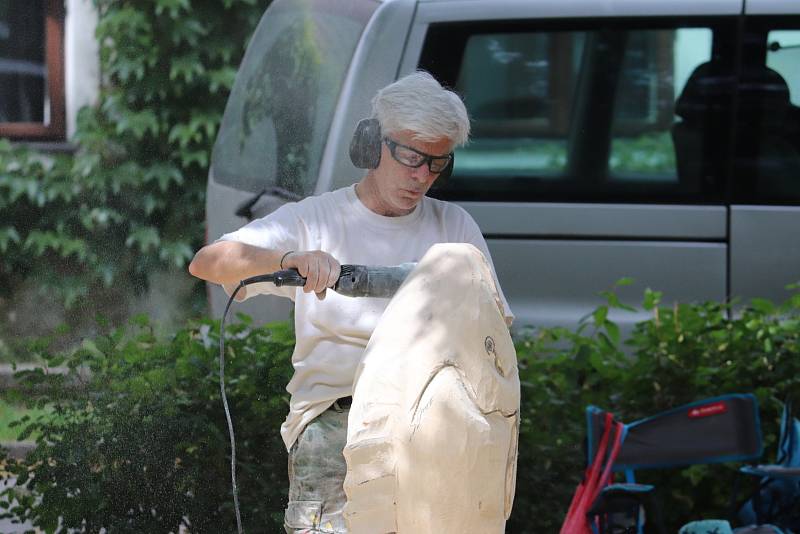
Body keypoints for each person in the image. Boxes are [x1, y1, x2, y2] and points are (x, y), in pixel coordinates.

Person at [188, 70, 513, 533]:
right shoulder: (317, 220)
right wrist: (290, 257)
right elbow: (210, 260)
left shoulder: (454, 230)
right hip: (337, 422)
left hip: (434, 426)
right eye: (410, 157)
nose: (421, 176)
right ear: (370, 145)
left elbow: (494, 333)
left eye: (437, 163)